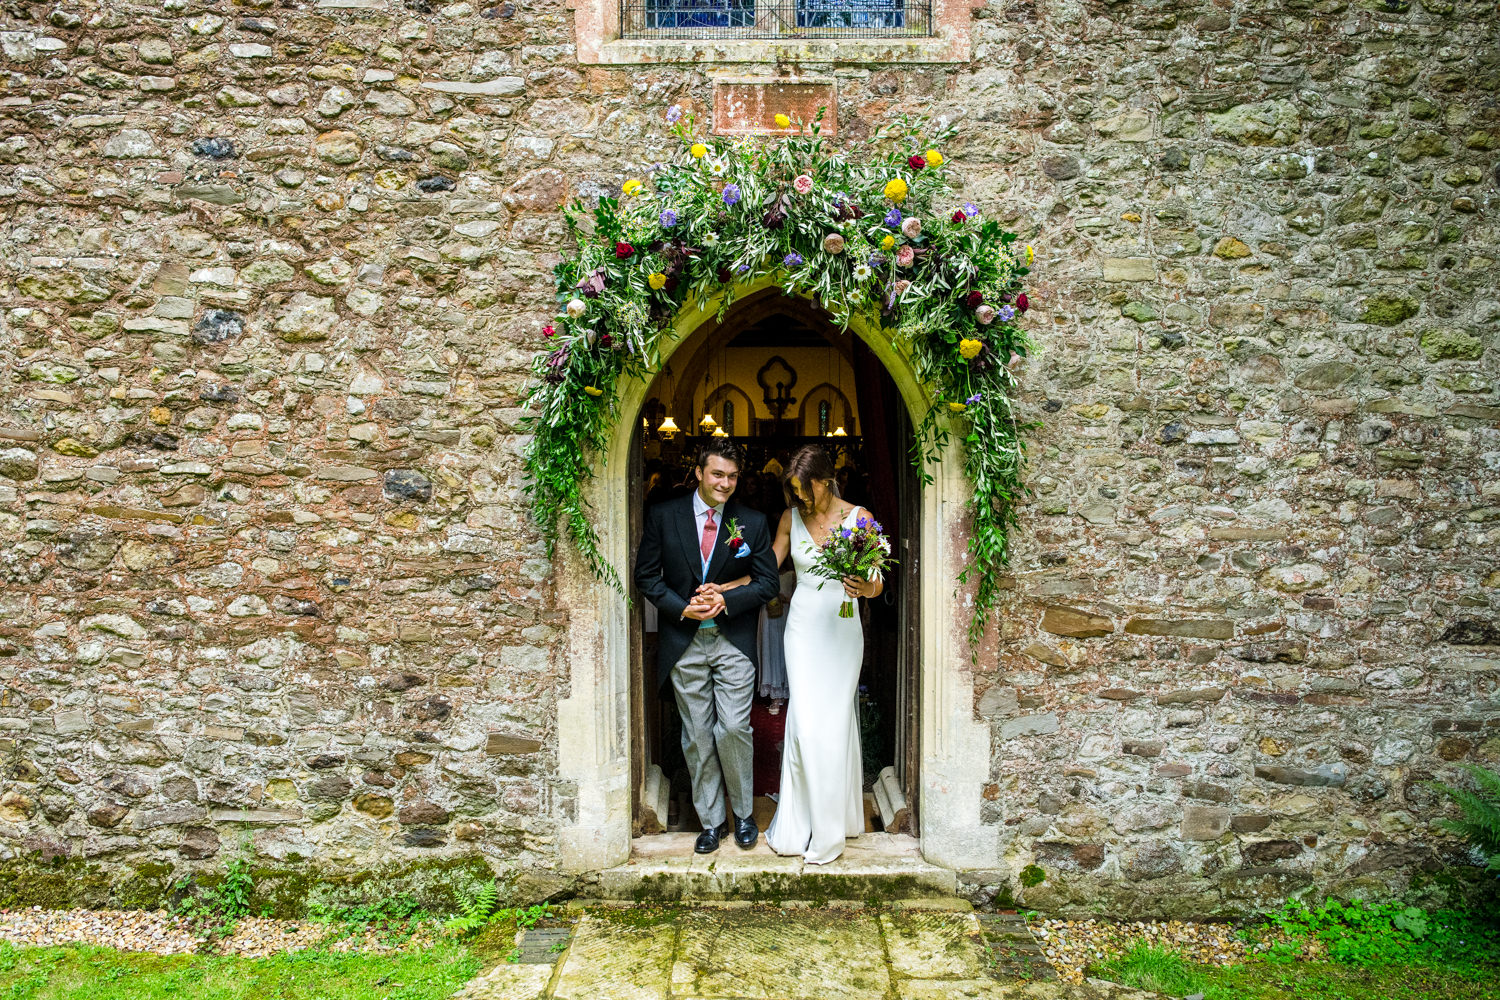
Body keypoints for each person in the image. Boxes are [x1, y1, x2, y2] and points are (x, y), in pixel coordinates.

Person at [708, 444, 884, 864]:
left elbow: (878, 581)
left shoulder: (860, 519)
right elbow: (766, 570)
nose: (801, 497)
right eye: (794, 490)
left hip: (842, 630)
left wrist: (864, 587)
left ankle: (830, 829)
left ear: (825, 480)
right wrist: (726, 588)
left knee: (835, 721)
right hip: (802, 630)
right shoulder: (790, 519)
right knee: (804, 722)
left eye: (806, 489)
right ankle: (800, 822)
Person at [633, 439, 780, 854]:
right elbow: (647, 576)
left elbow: (768, 582)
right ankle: (713, 822)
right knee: (697, 735)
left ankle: (745, 815)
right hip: (685, 643)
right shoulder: (664, 515)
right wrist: (684, 609)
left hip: (732, 641)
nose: (725, 484)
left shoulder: (751, 521)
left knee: (733, 727)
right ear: (699, 472)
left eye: (733, 476)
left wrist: (726, 601)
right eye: (718, 474)